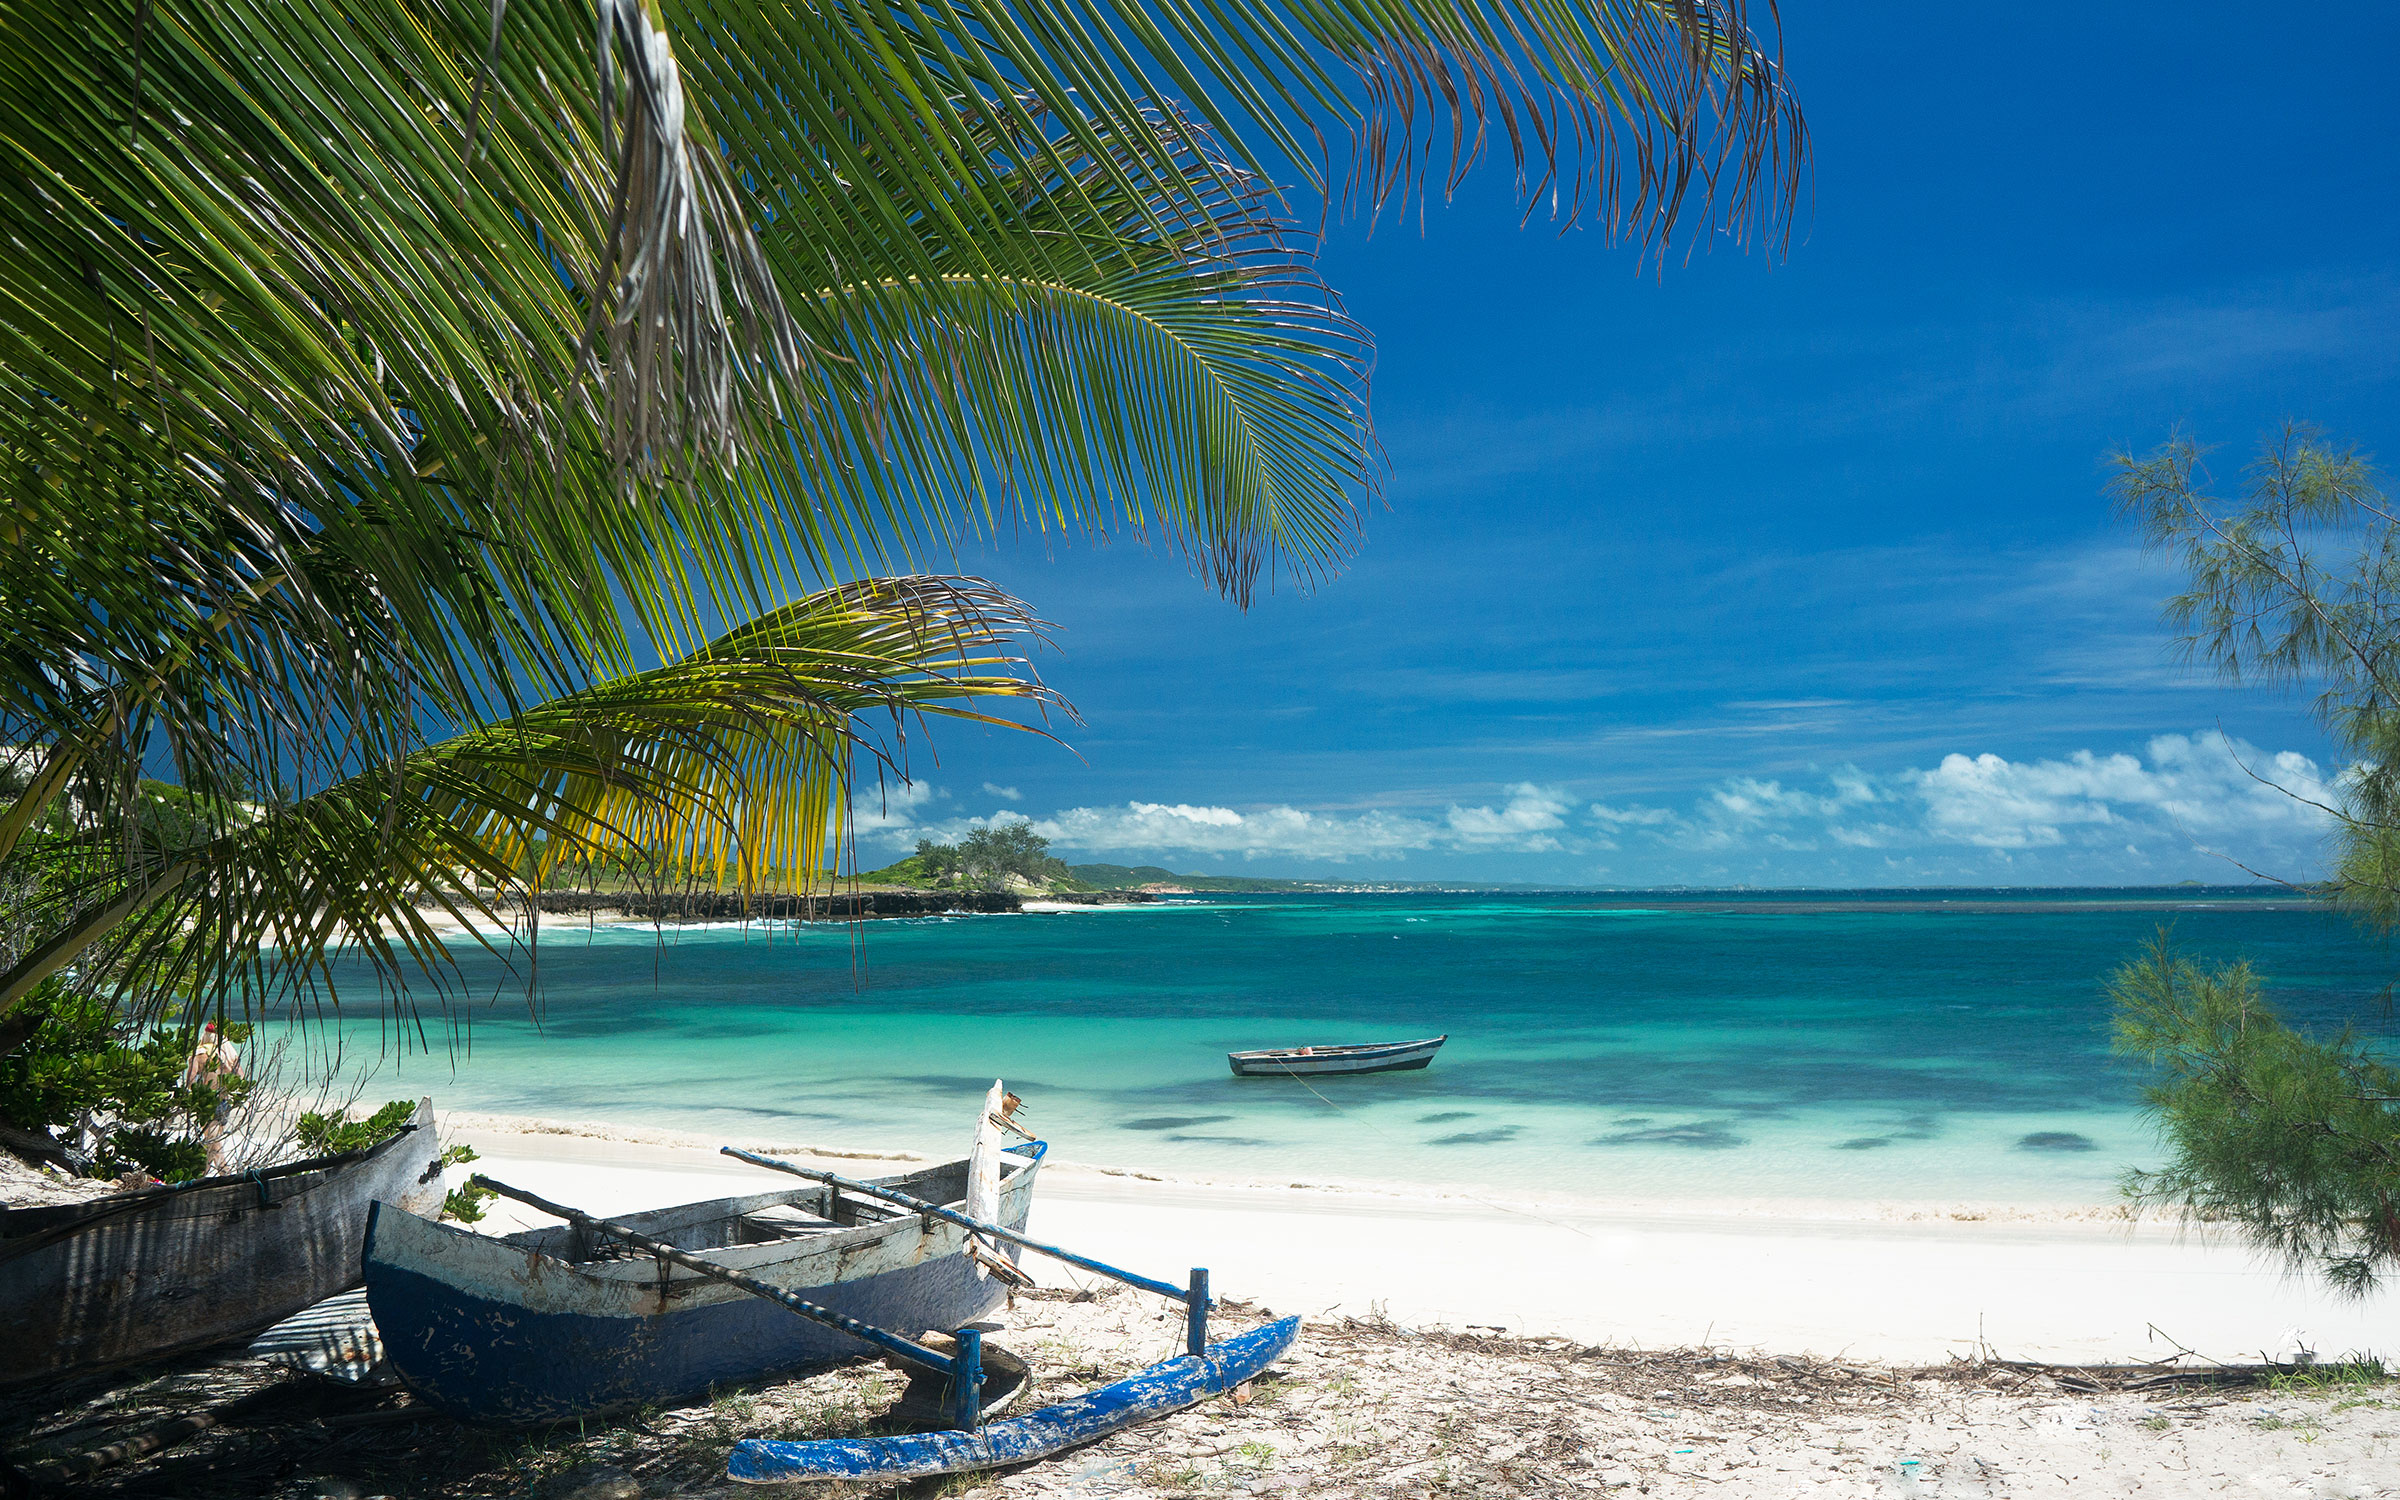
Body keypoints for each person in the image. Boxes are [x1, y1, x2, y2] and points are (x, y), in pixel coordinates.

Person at [181, 1021, 243, 1174]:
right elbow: (241, 1077)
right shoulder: (229, 1053)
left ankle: (224, 1171)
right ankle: (203, 1175)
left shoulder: (199, 1054)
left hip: (206, 1101)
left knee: (212, 1140)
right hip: (224, 1100)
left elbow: (190, 1080)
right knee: (212, 1140)